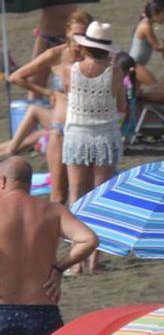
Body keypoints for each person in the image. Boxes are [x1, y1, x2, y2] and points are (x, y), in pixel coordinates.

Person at [0, 157, 98, 335]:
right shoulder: (52, 210)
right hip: (43, 315)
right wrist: (59, 268)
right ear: (29, 183)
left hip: (3, 314)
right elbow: (89, 239)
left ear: (2, 181)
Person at [3, 10, 92, 204]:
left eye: (84, 34)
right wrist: (48, 93)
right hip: (59, 130)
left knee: (84, 194)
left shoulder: (93, 58)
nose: (79, 39)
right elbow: (16, 76)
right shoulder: (56, 54)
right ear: (67, 32)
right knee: (58, 196)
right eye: (76, 34)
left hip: (86, 131)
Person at [62, 22, 126, 273]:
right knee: (100, 198)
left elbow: (68, 94)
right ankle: (94, 260)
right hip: (105, 135)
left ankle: (75, 261)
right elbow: (121, 105)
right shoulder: (115, 72)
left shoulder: (70, 70)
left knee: (76, 196)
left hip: (77, 134)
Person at [129, 0, 164, 68]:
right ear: (154, 13)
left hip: (136, 64)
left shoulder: (146, 23)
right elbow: (157, 47)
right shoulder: (146, 27)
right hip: (135, 66)